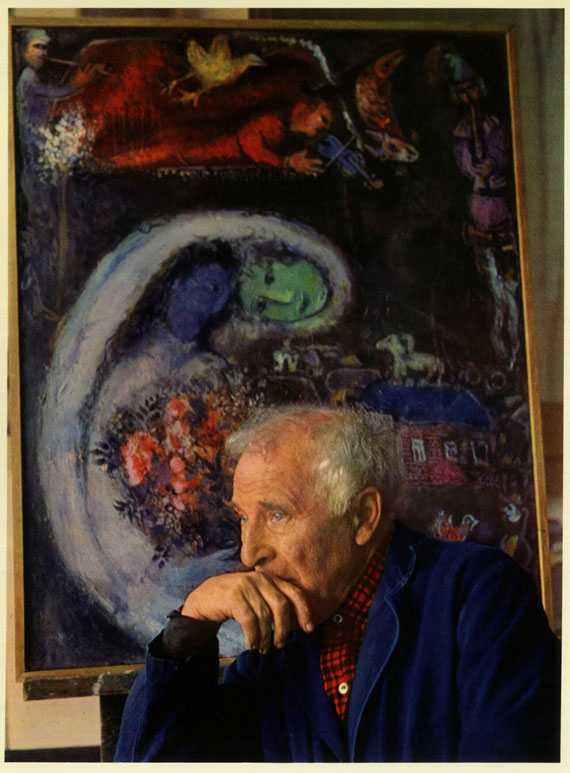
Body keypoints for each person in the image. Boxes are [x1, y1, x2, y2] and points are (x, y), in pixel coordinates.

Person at [114, 404, 560, 762]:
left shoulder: (479, 594)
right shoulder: (272, 658)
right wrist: (189, 628)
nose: (249, 554)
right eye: (244, 517)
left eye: (277, 515)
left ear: (363, 517)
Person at [109, 95, 333, 174]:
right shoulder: (274, 119)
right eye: (322, 119)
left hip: (210, 154)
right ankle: (111, 164)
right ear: (306, 107)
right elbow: (248, 143)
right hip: (206, 147)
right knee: (160, 154)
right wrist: (286, 163)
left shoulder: (288, 133)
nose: (321, 128)